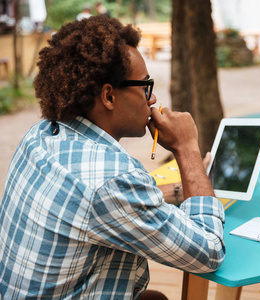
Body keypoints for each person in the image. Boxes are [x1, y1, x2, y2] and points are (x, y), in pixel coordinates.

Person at [0, 16, 225, 299]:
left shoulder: (41, 135)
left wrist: (179, 191)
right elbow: (208, 252)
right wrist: (187, 147)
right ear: (108, 96)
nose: (152, 100)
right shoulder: (113, 179)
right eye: (145, 87)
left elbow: (92, 198)